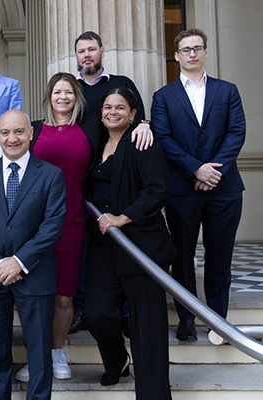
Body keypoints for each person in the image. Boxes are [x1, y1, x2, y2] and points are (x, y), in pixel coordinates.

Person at [151, 28, 246, 342]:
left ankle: (218, 321)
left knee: (220, 255)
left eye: (197, 48)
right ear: (176, 55)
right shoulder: (163, 97)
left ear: (205, 52)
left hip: (224, 186)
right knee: (181, 256)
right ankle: (187, 318)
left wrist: (213, 171)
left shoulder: (227, 90)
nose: (191, 54)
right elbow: (163, 138)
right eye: (185, 49)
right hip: (181, 188)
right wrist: (195, 169)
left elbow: (236, 133)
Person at [85, 87, 175, 400]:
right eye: (107, 106)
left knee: (147, 324)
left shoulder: (141, 141)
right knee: (97, 313)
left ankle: (153, 395)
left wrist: (123, 217)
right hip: (104, 245)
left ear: (133, 114)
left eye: (120, 107)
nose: (113, 112)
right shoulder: (97, 143)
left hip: (140, 243)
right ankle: (118, 361)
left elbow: (157, 190)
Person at [0, 109, 67, 400]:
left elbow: (52, 226)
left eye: (18, 131)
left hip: (35, 273)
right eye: (4, 132)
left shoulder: (51, 174)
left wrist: (19, 262)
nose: (11, 138)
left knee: (39, 351)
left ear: (31, 133)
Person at [71, 30, 153, 335]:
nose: (87, 55)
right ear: (76, 56)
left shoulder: (122, 85)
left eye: (92, 49)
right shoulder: (73, 90)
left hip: (122, 178)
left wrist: (145, 125)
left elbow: (142, 121)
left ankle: (128, 313)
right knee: (87, 250)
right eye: (82, 51)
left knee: (124, 245)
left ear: (102, 51)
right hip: (86, 179)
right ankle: (81, 309)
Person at [22, 72, 100, 381]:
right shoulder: (35, 130)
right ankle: (37, 356)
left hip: (72, 222)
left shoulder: (90, 128)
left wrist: (145, 125)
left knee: (64, 295)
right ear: (49, 97)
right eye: (58, 92)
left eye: (69, 92)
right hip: (35, 223)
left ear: (76, 97)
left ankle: (56, 353)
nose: (63, 97)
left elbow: (122, 128)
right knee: (35, 295)